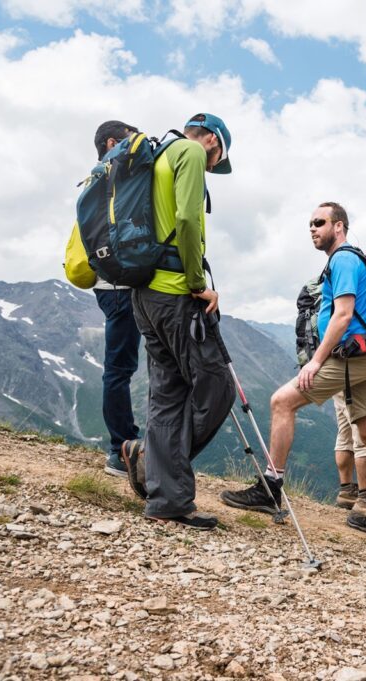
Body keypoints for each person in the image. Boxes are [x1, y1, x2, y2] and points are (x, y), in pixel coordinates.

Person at [220, 202, 366, 539]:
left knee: (281, 402)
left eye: (319, 222)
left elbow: (343, 315)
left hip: (349, 358)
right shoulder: (355, 259)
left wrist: (316, 362)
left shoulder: (343, 259)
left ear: (339, 226)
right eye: (310, 224)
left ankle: (270, 487)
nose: (313, 229)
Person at [120, 113, 236, 531]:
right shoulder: (187, 151)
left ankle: (166, 498)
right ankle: (153, 462)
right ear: (210, 140)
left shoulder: (152, 159)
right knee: (217, 385)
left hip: (143, 294)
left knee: (168, 392)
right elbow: (187, 219)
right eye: (217, 157)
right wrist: (196, 282)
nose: (212, 166)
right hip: (174, 292)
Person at [89, 121, 143, 479]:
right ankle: (120, 449)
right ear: (112, 142)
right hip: (119, 287)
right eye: (130, 140)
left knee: (119, 368)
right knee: (119, 370)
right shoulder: (114, 178)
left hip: (108, 285)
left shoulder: (96, 179)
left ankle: (123, 445)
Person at [333, 393, 366, 516]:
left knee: (345, 434)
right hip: (353, 384)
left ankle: (347, 492)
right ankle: (365, 500)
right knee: (362, 437)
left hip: (340, 383)